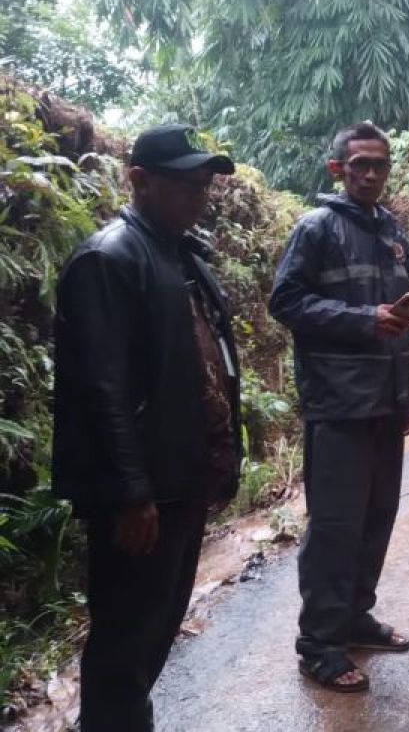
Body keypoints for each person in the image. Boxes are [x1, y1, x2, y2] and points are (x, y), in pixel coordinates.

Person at [52, 124, 241, 731]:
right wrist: (131, 494)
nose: (199, 197)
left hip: (181, 478)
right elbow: (101, 391)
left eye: (204, 186)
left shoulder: (176, 253)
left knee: (154, 631)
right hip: (145, 492)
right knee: (126, 641)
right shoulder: (109, 259)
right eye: (185, 185)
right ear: (139, 180)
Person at [269, 122, 409, 692]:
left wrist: (408, 397)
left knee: (376, 519)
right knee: (335, 527)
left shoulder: (391, 231)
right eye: (360, 164)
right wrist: (362, 321)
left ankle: (356, 618)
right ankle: (320, 645)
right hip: (338, 405)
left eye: (380, 164)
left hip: (386, 406)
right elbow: (285, 301)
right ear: (338, 169)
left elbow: (401, 323)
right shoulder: (317, 227)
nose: (372, 173)